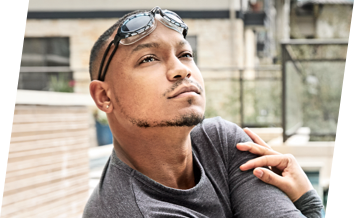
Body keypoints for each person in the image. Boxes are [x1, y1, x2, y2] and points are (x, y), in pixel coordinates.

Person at [84, 6, 324, 217]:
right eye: (148, 59)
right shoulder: (131, 211)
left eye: (185, 54)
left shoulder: (220, 142)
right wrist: (309, 204)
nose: (181, 69)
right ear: (105, 96)